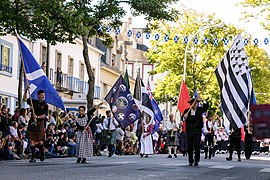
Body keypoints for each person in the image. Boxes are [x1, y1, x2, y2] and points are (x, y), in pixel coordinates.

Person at [182, 98, 208, 166]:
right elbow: (183, 119)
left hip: (197, 130)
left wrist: (203, 100)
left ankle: (196, 160)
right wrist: (184, 117)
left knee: (197, 145)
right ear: (191, 104)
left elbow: (206, 107)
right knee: (190, 146)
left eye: (196, 103)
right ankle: (190, 160)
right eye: (194, 103)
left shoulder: (199, 110)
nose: (195, 104)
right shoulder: (187, 111)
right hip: (189, 131)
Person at [24, 89, 48, 163]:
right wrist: (26, 91)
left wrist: (37, 117)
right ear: (38, 96)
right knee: (32, 140)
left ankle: (42, 154)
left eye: (44, 95)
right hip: (32, 123)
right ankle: (33, 157)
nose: (43, 96)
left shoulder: (45, 105)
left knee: (40, 141)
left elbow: (44, 115)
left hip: (40, 123)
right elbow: (24, 99)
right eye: (41, 95)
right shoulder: (33, 102)